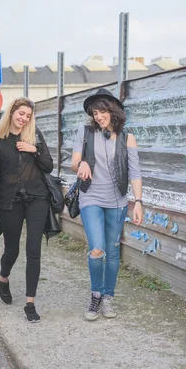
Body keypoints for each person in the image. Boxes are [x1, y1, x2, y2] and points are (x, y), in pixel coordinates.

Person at [70, 88, 143, 321]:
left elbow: (135, 172)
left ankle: (108, 297)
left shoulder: (127, 137)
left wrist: (138, 202)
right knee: (97, 248)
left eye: (102, 111)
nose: (98, 116)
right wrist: (81, 163)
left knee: (112, 252)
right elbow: (73, 163)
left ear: (113, 110)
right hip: (90, 196)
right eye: (95, 112)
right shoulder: (85, 132)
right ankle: (95, 295)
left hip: (118, 201)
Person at [0, 97, 53, 323]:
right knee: (12, 249)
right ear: (12, 113)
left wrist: (34, 149)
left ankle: (30, 303)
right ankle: (3, 278)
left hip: (37, 198)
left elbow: (49, 165)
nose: (24, 118)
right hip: (9, 200)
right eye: (21, 113)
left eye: (28, 115)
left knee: (33, 249)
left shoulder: (34, 136)